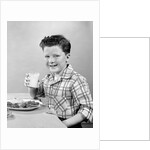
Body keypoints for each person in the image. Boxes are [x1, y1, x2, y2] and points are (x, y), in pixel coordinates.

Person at [24, 35, 93, 128]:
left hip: (69, 125)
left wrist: (62, 125)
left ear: (67, 57)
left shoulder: (76, 80)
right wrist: (32, 85)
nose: (51, 60)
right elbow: (34, 95)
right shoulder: (48, 78)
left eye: (56, 56)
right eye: (47, 56)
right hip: (52, 122)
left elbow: (87, 109)